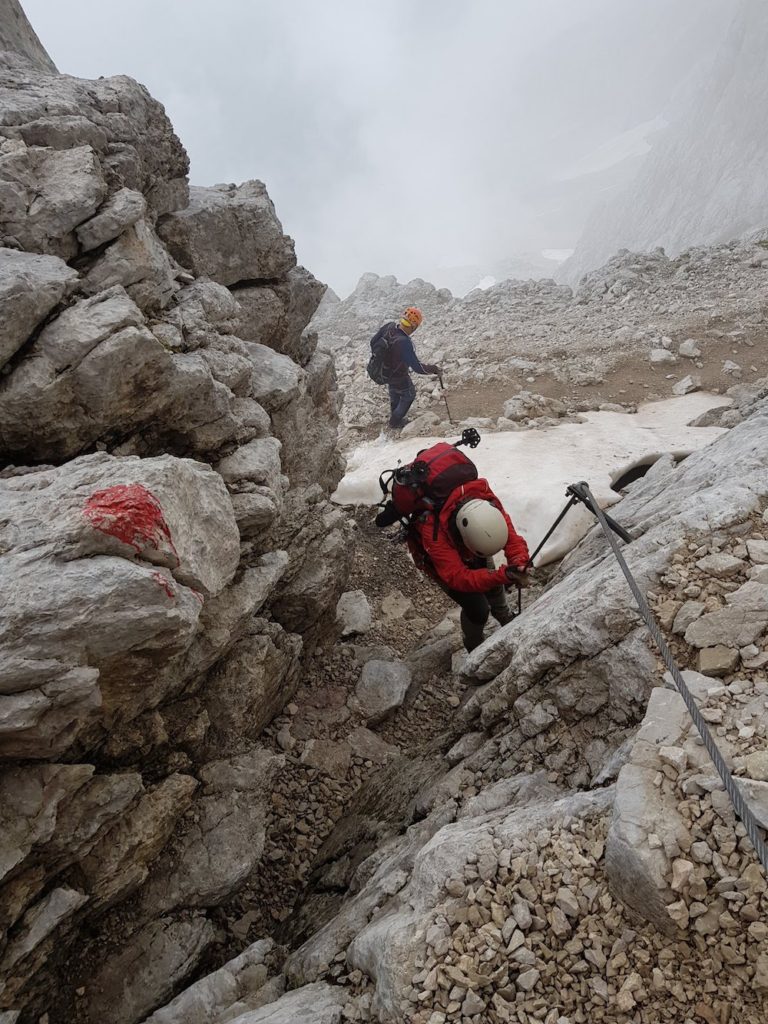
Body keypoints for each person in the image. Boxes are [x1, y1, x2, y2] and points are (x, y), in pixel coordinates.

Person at [377, 474, 531, 652]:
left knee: (491, 579)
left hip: (465, 539)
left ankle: (503, 614)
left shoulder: (486, 502)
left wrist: (519, 562)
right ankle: (474, 646)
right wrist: (502, 575)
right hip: (437, 562)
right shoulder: (431, 530)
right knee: (477, 608)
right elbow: (458, 577)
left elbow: (511, 538)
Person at [369, 307, 440, 428]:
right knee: (409, 395)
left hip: (385, 372)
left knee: (394, 393)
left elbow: (372, 342)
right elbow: (418, 368)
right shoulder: (404, 342)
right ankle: (395, 422)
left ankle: (394, 417)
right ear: (414, 326)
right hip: (399, 375)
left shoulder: (389, 327)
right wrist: (434, 369)